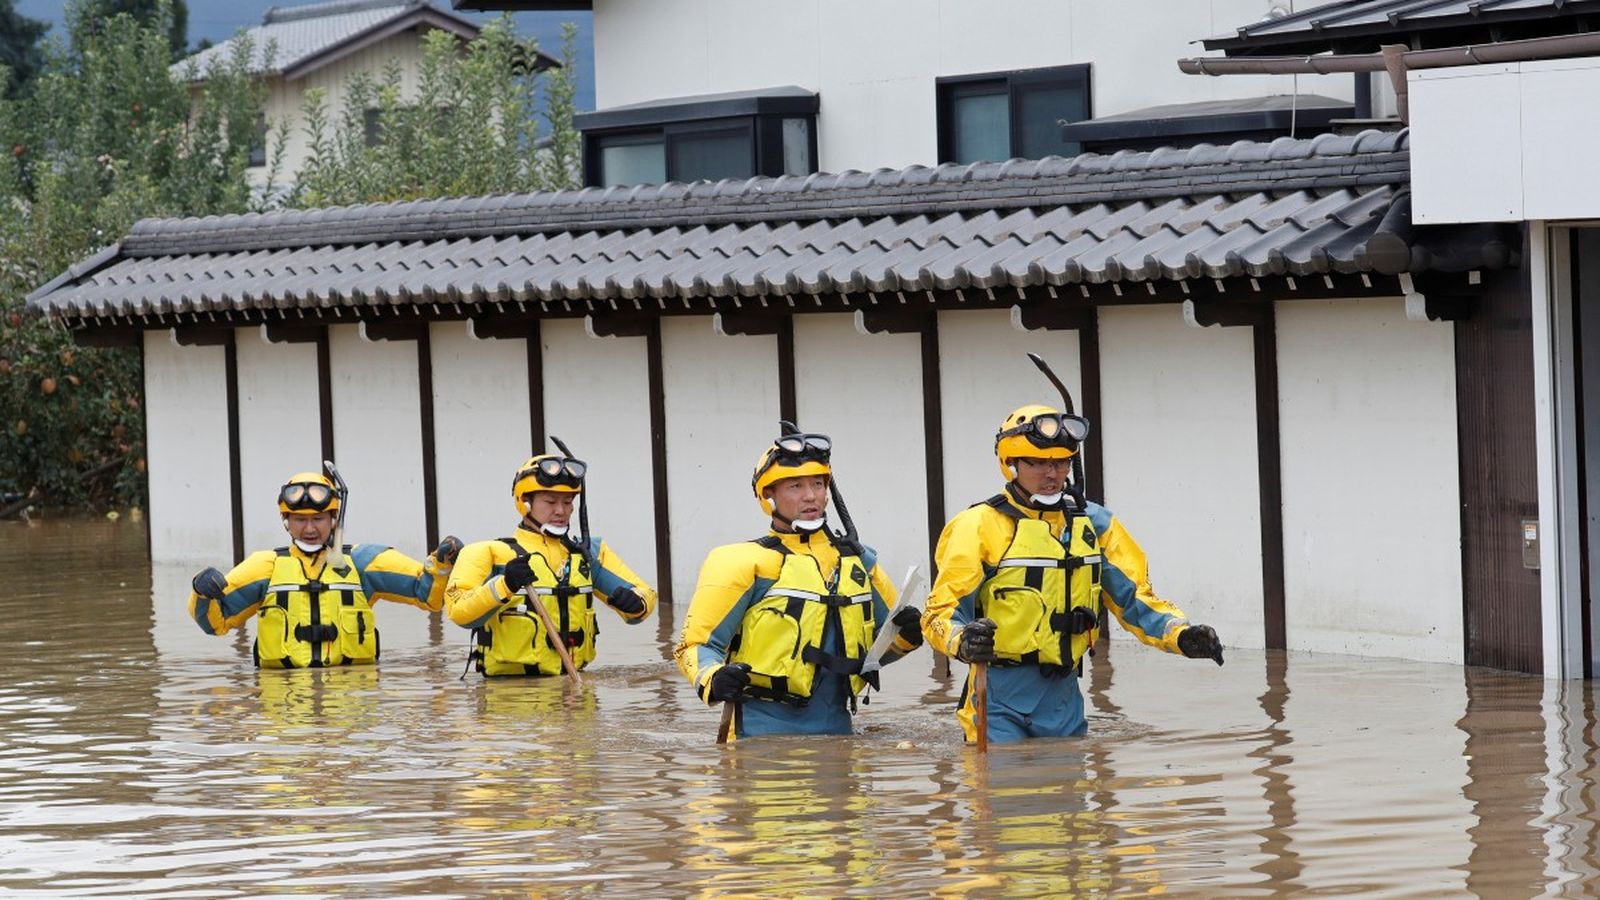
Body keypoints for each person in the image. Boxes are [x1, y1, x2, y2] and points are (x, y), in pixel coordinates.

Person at [922, 403, 1225, 744]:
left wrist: (1180, 635)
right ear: (1011, 465)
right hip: (996, 697)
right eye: (1037, 463)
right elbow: (939, 615)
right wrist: (962, 641)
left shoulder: (1094, 524)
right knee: (1003, 789)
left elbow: (1135, 599)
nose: (1051, 474)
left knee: (1069, 791)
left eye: (1061, 462)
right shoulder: (976, 526)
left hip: (1063, 697)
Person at [674, 430, 924, 738]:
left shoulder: (858, 561)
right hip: (758, 735)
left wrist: (908, 635)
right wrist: (713, 678)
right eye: (795, 486)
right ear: (768, 496)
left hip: (838, 734)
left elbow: (881, 651)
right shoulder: (739, 562)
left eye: (817, 484)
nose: (811, 496)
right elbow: (694, 645)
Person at [188, 470, 462, 668]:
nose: (309, 529)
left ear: (333, 518)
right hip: (283, 705)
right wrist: (201, 590)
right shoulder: (264, 568)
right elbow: (215, 623)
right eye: (299, 520)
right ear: (286, 520)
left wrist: (440, 564)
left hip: (351, 702)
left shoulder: (362, 562)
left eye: (318, 519)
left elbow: (427, 596)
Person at [446, 451, 656, 676]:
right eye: (550, 501)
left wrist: (637, 605)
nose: (561, 511)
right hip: (509, 697)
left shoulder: (587, 553)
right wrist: (504, 585)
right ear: (524, 502)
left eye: (567, 502)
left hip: (576, 696)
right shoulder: (487, 553)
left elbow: (646, 594)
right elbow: (458, 611)